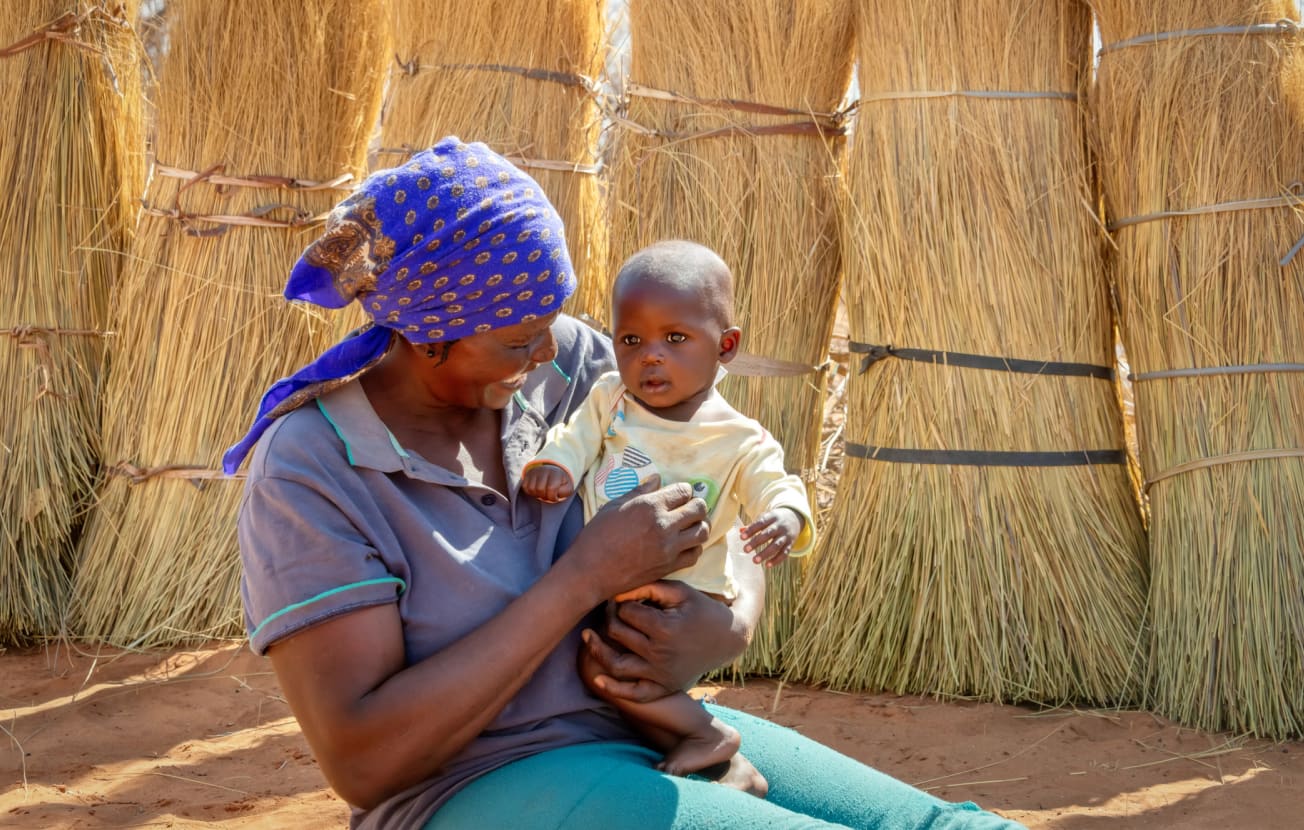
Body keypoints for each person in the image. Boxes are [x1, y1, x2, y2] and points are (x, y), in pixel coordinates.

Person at [225, 136, 1026, 830]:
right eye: (518, 341)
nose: (550, 353)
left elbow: (724, 466)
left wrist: (735, 616)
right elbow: (364, 763)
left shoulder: (570, 365)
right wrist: (585, 577)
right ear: (428, 339)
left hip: (645, 728)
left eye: (555, 322)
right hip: (472, 785)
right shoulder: (314, 468)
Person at [521, 240, 814, 782]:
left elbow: (779, 487)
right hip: (612, 579)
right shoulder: (611, 397)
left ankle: (708, 736)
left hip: (682, 598)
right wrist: (555, 466)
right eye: (631, 340)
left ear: (725, 346)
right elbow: (574, 438)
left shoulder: (740, 439)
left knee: (608, 670)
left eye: (675, 338)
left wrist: (787, 518)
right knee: (615, 676)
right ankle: (716, 760)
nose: (650, 355)